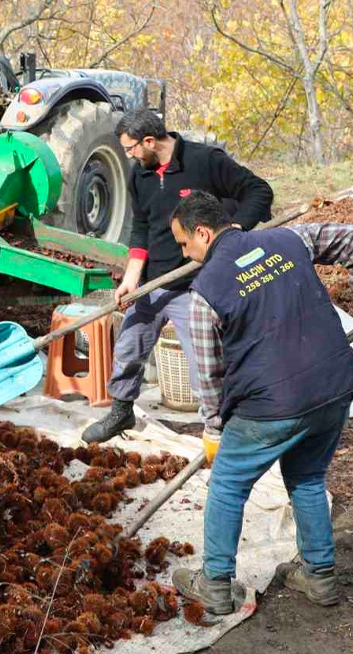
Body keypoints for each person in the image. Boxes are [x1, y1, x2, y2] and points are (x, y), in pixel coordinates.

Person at [164, 192, 353, 615]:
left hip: (273, 404)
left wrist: (214, 428)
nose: (185, 253)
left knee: (228, 484)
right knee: (307, 475)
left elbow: (209, 375)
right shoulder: (290, 240)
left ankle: (214, 584)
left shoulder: (204, 293)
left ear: (204, 233)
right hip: (333, 387)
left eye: (184, 244)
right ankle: (319, 575)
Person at [82, 110, 274, 444]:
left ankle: (219, 428)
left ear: (150, 141)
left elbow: (258, 190)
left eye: (131, 148)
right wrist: (131, 277)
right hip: (155, 283)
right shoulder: (139, 174)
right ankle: (121, 410)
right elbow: (141, 227)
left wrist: (234, 231)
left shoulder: (204, 161)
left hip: (197, 284)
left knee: (206, 364)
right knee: (128, 346)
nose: (128, 155)